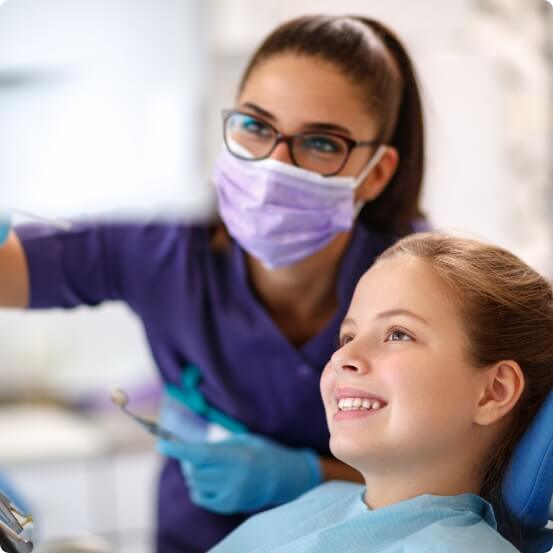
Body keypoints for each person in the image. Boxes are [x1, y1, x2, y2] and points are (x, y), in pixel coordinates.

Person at [0, 14, 425, 553]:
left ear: (378, 171)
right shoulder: (163, 244)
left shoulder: (420, 280)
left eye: (320, 142)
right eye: (255, 125)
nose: (274, 165)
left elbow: (463, 474)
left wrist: (314, 476)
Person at [199, 231, 553, 553]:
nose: (342, 357)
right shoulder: (325, 501)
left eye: (398, 334)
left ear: (494, 391)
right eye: (348, 337)